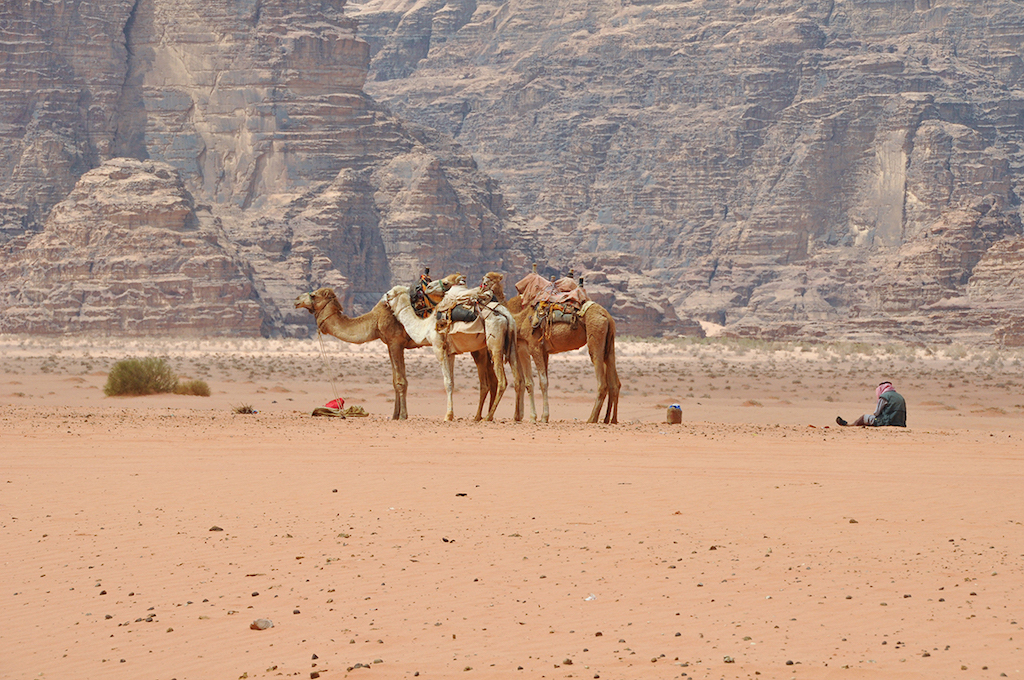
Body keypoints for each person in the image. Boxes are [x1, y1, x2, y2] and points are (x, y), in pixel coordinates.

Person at [836, 381, 907, 427]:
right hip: (900, 423)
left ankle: (850, 425)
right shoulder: (899, 396)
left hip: (888, 422)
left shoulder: (884, 397)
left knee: (864, 418)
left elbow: (876, 413)